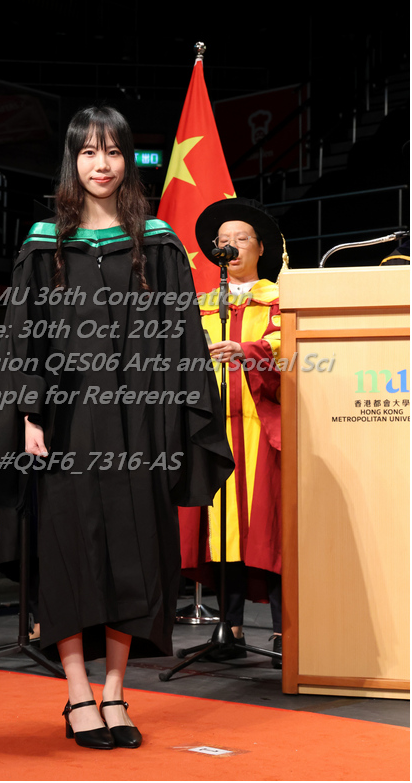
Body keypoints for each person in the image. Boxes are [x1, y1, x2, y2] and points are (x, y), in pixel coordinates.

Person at [0, 106, 234, 749]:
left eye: (113, 151)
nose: (101, 165)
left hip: (141, 423)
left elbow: (182, 334)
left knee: (137, 551)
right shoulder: (46, 242)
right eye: (88, 152)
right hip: (67, 422)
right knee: (69, 549)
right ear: (72, 160)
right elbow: (24, 333)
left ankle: (117, 692)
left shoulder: (157, 241)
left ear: (128, 160)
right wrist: (29, 413)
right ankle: (78, 694)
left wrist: (180, 414)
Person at [193, 197, 285, 668]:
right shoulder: (204, 306)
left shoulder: (280, 298)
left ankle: (285, 632)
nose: (230, 245)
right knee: (223, 526)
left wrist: (248, 350)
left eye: (241, 238)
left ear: (260, 247)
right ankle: (228, 627)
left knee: (269, 528)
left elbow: (287, 347)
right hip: (215, 428)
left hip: (262, 428)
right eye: (223, 240)